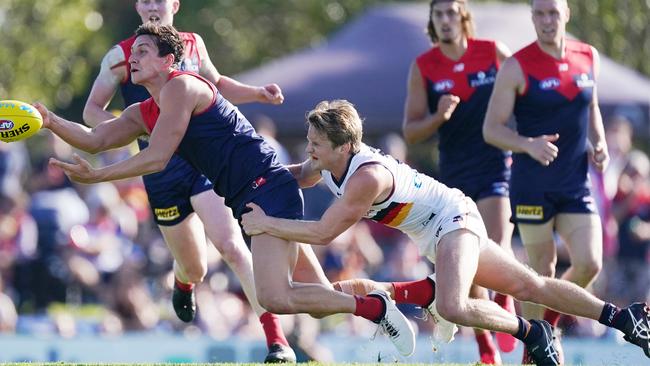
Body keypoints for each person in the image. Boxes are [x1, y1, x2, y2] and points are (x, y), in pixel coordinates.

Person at [35, 23, 417, 358]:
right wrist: (49, 120)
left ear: (169, 61)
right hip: (258, 194)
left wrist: (99, 178)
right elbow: (95, 138)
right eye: (132, 52)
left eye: (143, 51)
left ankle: (376, 311)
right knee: (317, 300)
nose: (131, 58)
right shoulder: (145, 111)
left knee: (274, 297)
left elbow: (157, 157)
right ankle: (402, 296)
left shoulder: (183, 87)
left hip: (268, 191)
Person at [240, 99, 650, 366]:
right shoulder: (327, 160)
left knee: (454, 306)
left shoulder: (365, 178)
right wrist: (248, 179)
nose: (308, 150)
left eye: (315, 144)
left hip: (453, 220)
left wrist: (264, 224)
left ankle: (531, 331)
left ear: (343, 146)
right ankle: (623, 318)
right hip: (439, 229)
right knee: (529, 285)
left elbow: (323, 232)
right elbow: (297, 175)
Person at [83, 0, 294, 362]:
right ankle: (184, 282)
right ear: (137, 6)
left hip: (199, 162)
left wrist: (257, 93)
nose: (152, 5)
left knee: (230, 245)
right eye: (145, 0)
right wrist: (120, 131)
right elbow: (91, 111)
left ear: (174, 5)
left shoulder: (193, 45)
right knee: (194, 265)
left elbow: (217, 83)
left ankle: (277, 342)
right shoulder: (120, 55)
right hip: (157, 169)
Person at [482, 0, 608, 361]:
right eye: (539, 13)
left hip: (575, 184)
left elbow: (592, 106)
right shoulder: (517, 66)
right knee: (542, 272)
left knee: (589, 263)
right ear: (532, 18)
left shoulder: (588, 56)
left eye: (553, 12)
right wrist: (527, 144)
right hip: (532, 184)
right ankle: (532, 352)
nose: (547, 20)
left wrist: (599, 144)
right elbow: (491, 129)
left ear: (566, 14)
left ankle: (545, 330)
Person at [402, 0, 516, 361]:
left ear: (463, 16)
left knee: (498, 240)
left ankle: (506, 299)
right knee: (474, 263)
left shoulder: (492, 52)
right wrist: (438, 116)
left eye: (451, 12)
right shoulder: (425, 67)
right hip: (455, 174)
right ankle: (485, 345)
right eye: (439, 14)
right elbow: (411, 131)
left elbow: (523, 91)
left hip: (496, 163)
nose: (446, 20)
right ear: (432, 22)